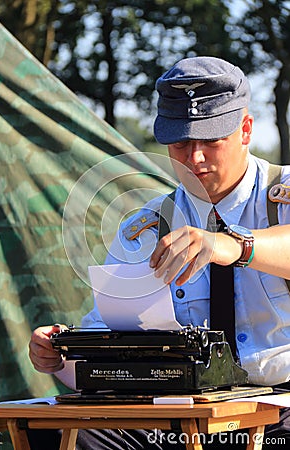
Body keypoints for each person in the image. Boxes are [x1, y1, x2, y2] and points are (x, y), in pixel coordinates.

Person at [29, 56, 290, 449]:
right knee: (62, 434)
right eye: (181, 142)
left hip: (278, 412)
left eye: (211, 140)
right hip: (178, 418)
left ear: (246, 130)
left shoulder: (282, 195)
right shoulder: (148, 225)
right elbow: (108, 341)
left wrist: (231, 244)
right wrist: (60, 355)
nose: (195, 158)